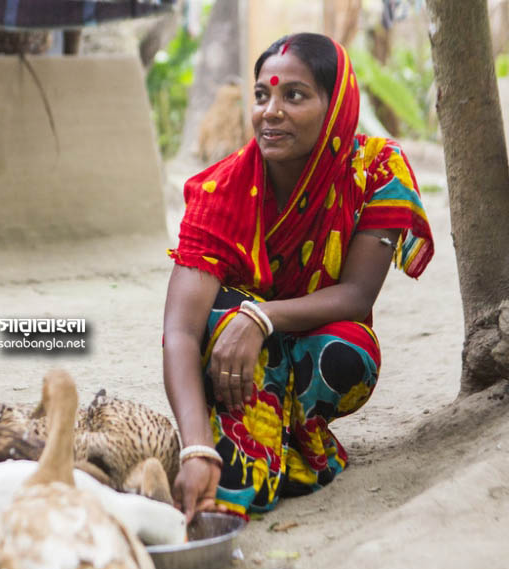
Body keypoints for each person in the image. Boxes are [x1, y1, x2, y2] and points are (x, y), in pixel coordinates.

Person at [163, 32, 434, 523]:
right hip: (236, 365)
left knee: (350, 352)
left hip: (313, 344)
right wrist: (195, 449)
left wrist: (262, 317)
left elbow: (355, 296)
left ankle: (274, 442)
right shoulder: (222, 189)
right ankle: (241, 454)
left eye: (294, 95)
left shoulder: (375, 172)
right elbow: (180, 332)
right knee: (220, 314)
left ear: (335, 106)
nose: (270, 111)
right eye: (262, 95)